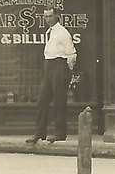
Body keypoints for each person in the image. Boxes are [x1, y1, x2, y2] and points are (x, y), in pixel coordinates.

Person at [26, 8, 77, 144]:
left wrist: (66, 71)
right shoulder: (50, 32)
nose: (48, 19)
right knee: (42, 100)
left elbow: (71, 54)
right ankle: (39, 133)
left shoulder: (62, 33)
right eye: (46, 17)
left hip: (59, 65)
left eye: (50, 16)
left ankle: (60, 133)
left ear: (57, 16)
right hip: (48, 65)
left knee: (59, 101)